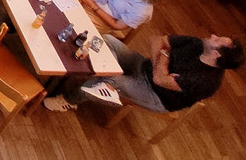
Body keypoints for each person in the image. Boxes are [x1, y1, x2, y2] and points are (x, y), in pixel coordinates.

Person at [44, 33, 243, 114]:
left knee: (111, 78)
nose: (213, 35)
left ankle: (69, 99)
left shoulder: (206, 82)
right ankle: (95, 77)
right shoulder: (196, 43)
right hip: (145, 66)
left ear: (216, 54)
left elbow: (159, 81)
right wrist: (164, 57)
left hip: (156, 95)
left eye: (218, 40)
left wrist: (163, 57)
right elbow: (158, 39)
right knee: (107, 39)